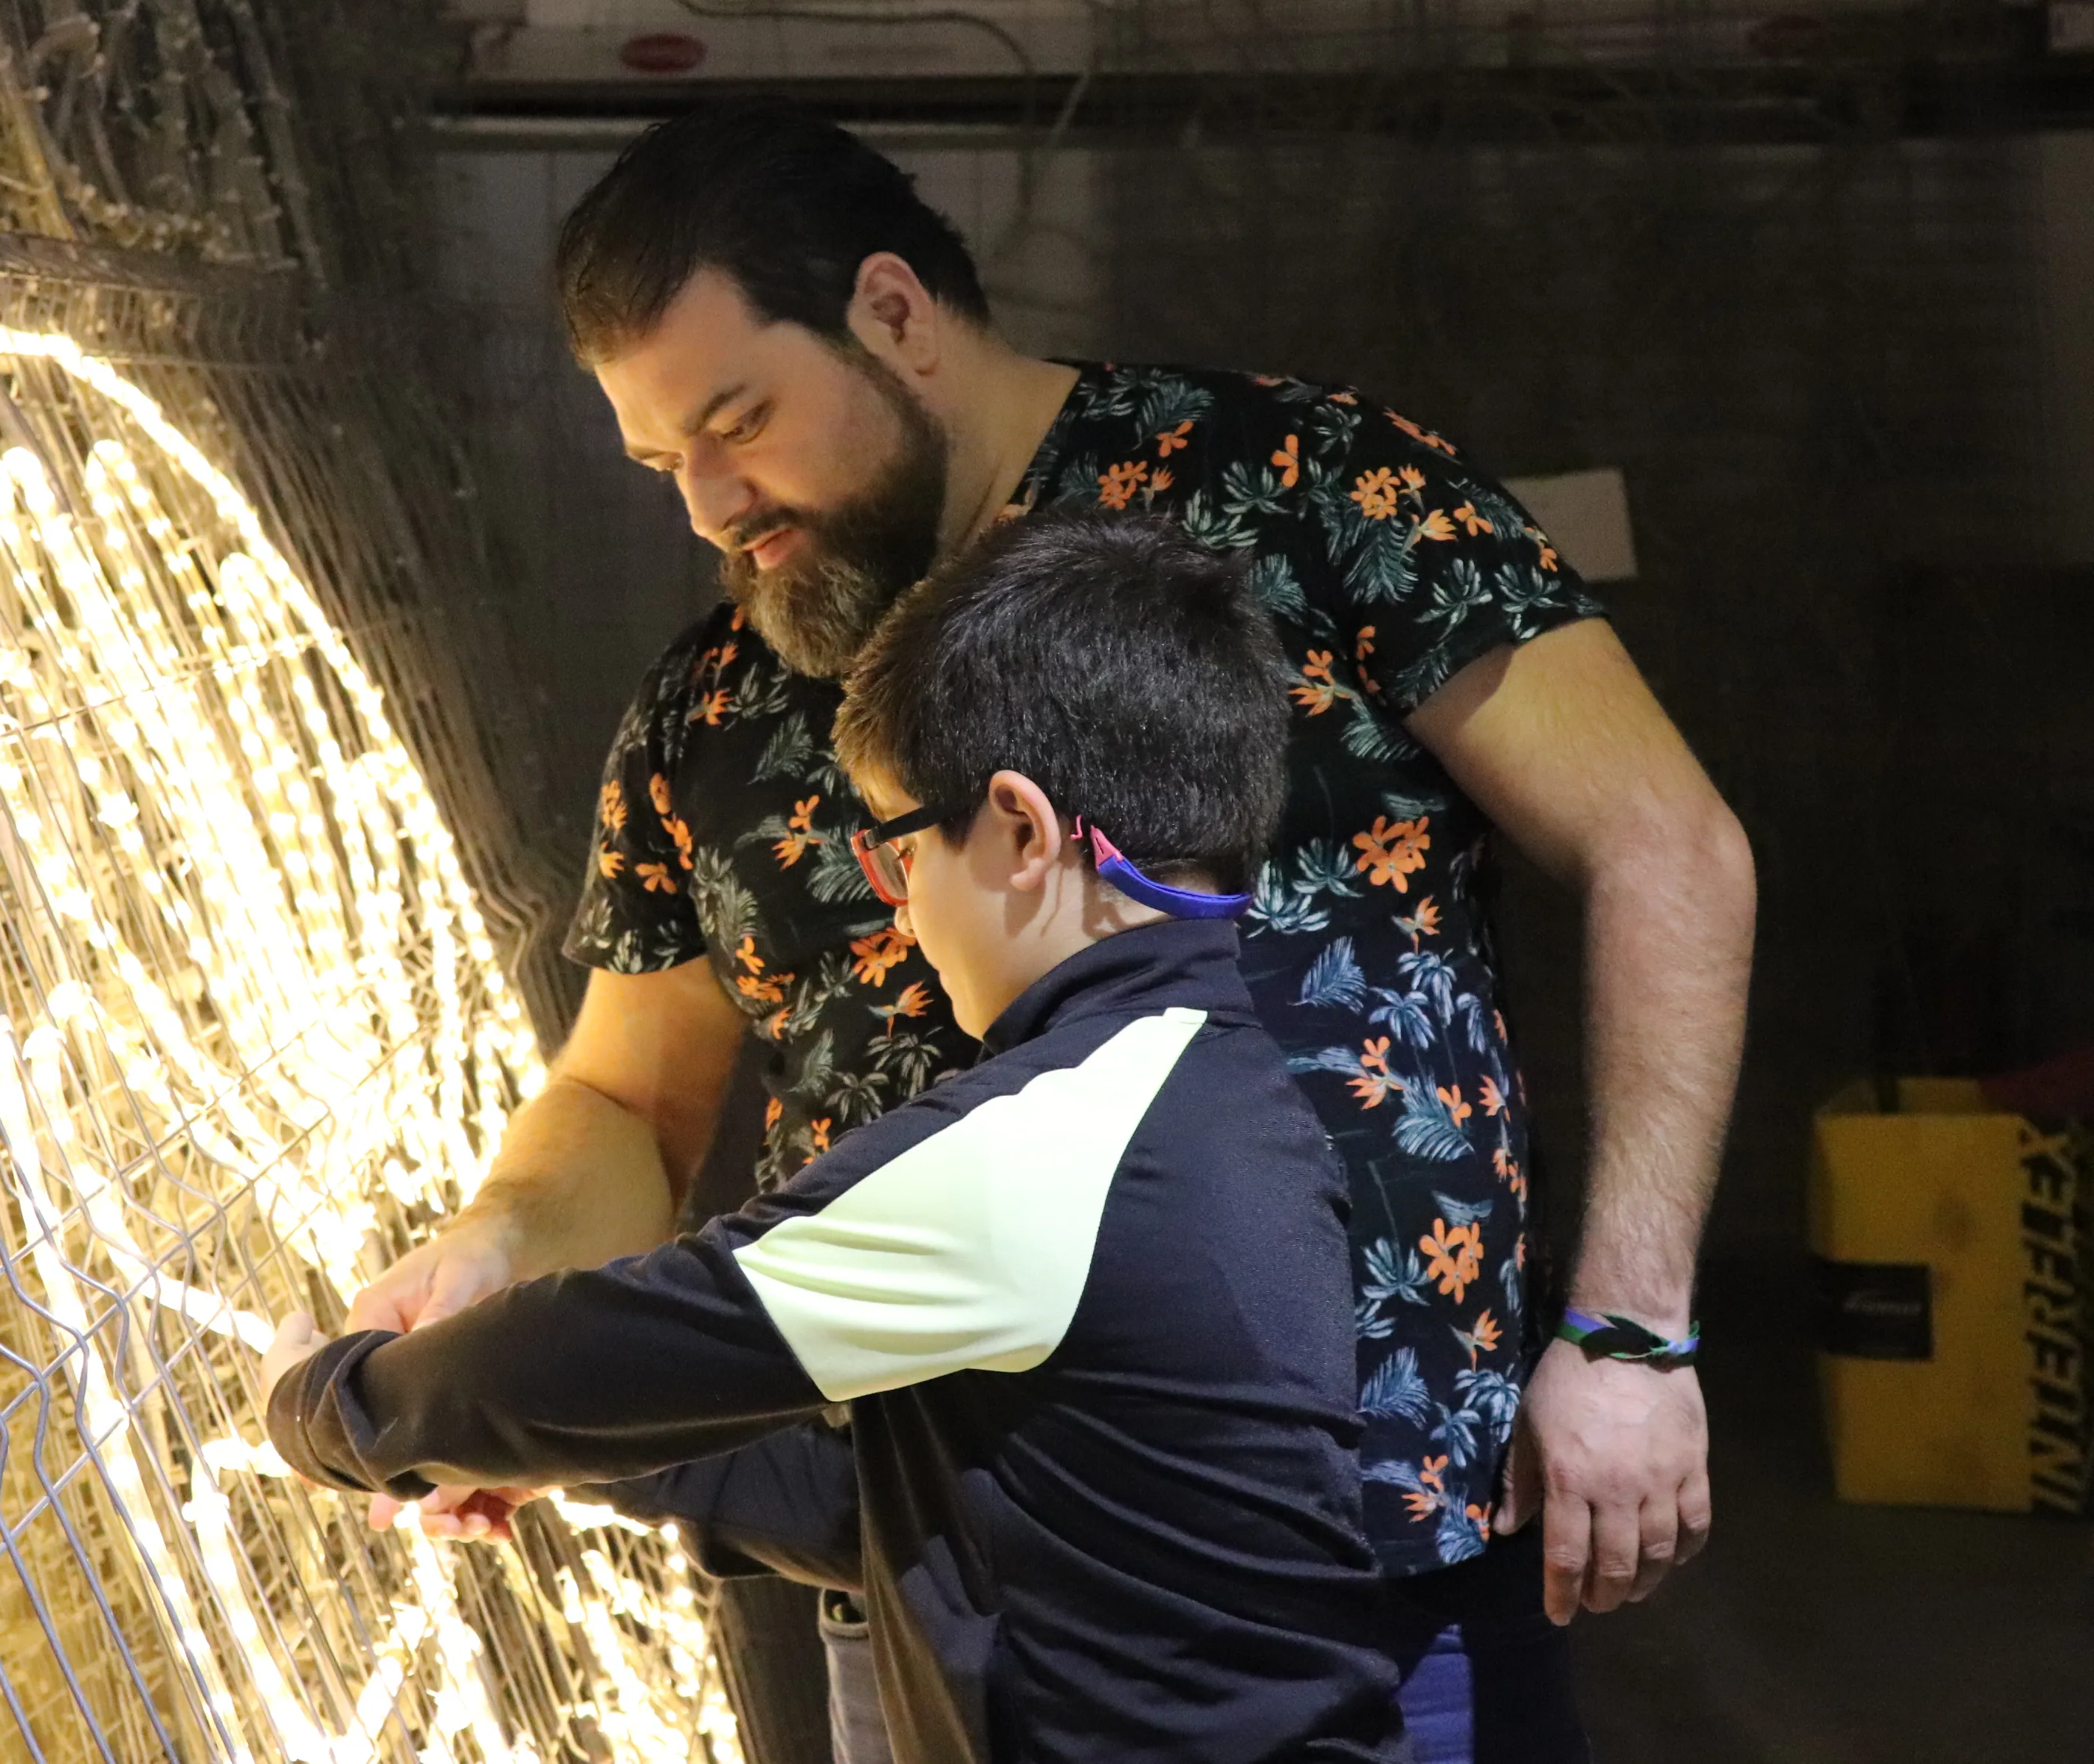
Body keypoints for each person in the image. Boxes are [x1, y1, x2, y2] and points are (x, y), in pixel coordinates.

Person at [351, 102, 1754, 1762]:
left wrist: (1628, 1329)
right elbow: (620, 1100)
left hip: (1360, 1552)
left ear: (892, 312)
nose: (713, 506)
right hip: (924, 1573)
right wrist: (502, 1250)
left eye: (741, 420)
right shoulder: (711, 704)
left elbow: (1666, 844)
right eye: (666, 463)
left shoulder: (1304, 491)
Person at [264, 510, 1405, 1764]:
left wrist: (333, 1403)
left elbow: (641, 1334)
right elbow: (926, 1515)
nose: (898, 899)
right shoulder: (1205, 1086)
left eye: (900, 842)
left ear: (1021, 832)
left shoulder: (1052, 1142)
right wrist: (578, 1460)